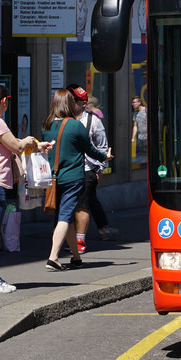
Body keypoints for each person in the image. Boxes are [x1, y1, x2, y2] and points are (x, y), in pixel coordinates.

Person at [42, 88, 112, 271]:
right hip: (73, 178)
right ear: (68, 104)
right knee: (65, 217)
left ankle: (75, 256)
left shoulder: (47, 125)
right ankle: (53, 257)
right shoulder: (75, 125)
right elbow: (91, 150)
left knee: (66, 218)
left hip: (54, 178)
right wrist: (105, 158)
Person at [0, 84, 46, 292]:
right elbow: (16, 146)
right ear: (4, 101)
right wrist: (28, 140)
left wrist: (35, 144)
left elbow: (10, 143)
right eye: (7, 99)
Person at [68, 85, 118, 252]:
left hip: (86, 169)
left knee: (82, 205)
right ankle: (67, 239)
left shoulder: (93, 120)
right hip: (65, 170)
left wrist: (100, 169)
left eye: (84, 102)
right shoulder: (60, 119)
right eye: (79, 101)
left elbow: (102, 146)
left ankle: (79, 241)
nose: (83, 105)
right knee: (67, 207)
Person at [130, 95, 147, 162]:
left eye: (134, 102)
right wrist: (133, 138)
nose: (133, 104)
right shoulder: (135, 113)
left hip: (147, 137)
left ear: (139, 102)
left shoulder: (146, 110)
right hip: (140, 138)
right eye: (132, 103)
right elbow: (135, 126)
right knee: (142, 155)